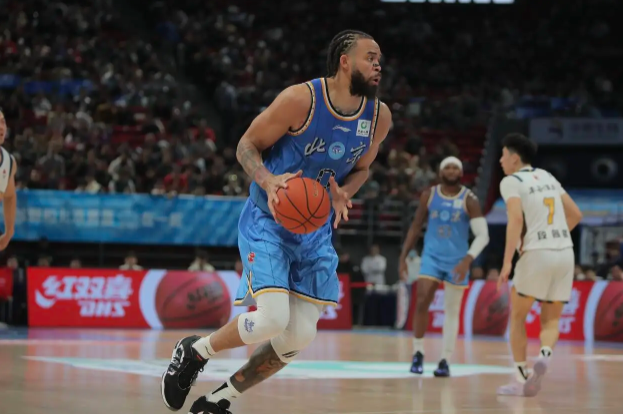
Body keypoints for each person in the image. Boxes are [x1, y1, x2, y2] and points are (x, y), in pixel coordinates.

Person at [160, 30, 391, 414]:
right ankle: (196, 351)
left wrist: (345, 191)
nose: (378, 64)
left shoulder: (378, 117)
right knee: (271, 320)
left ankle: (220, 399)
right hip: (268, 219)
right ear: (344, 61)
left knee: (300, 334)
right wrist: (268, 181)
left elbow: (363, 169)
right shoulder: (301, 100)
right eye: (370, 57)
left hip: (314, 230)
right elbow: (245, 146)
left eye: (379, 58)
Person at [496, 133, 582, 397]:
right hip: (565, 252)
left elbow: (515, 220)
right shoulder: (547, 176)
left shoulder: (511, 181)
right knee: (551, 319)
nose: (500, 161)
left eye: (503, 155)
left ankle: (520, 378)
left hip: (536, 253)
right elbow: (576, 215)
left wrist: (507, 261)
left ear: (514, 158)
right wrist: (555, 236)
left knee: (518, 317)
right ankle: (545, 354)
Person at [399, 156, 489, 377]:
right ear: (440, 172)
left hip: (457, 261)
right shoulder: (429, 195)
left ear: (461, 172)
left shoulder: (469, 199)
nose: (451, 171)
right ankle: (418, 353)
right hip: (431, 257)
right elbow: (415, 227)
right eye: (447, 167)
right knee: (422, 301)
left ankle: (445, 360)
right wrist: (403, 256)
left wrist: (467, 260)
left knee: (451, 310)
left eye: (455, 167)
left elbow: (483, 235)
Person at [0, 111, 17, 252]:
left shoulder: (8, 161)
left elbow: (10, 196)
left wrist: (9, 231)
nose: (1, 127)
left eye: (2, 122)